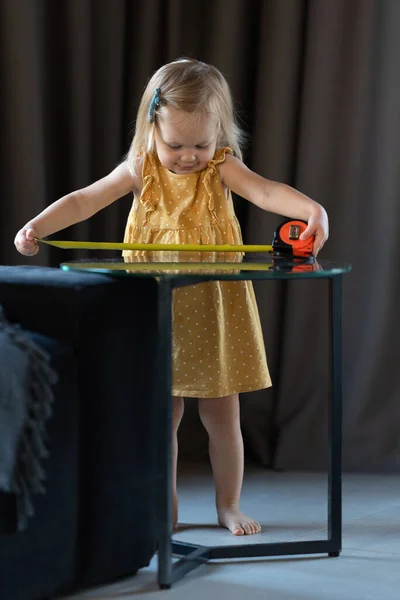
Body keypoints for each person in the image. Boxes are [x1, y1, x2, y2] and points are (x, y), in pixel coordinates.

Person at [15, 57, 329, 536]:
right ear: (151, 130)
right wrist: (37, 225)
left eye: (201, 143)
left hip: (213, 308)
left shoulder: (221, 168)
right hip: (156, 308)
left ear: (218, 134)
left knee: (223, 416)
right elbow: (85, 199)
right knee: (161, 417)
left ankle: (229, 504)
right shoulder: (140, 170)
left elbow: (266, 194)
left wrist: (312, 210)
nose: (188, 156)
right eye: (175, 144)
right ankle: (166, 507)